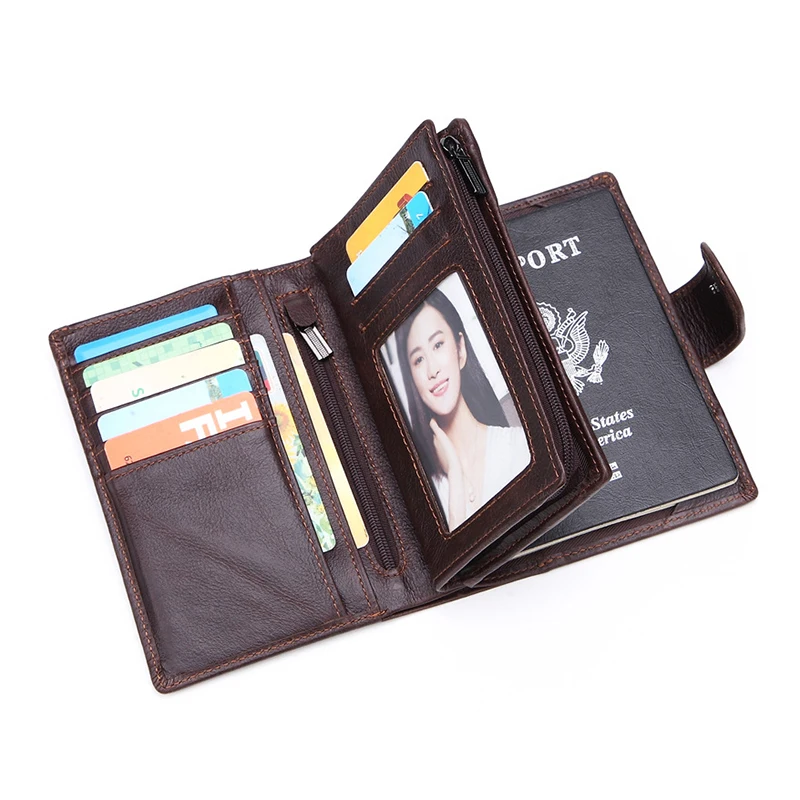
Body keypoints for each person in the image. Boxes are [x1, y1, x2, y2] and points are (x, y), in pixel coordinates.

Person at [395, 286, 530, 531]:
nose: (432, 370)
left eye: (438, 345)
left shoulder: (519, 448)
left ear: (460, 350)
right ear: (411, 378)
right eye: (418, 359)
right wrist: (455, 475)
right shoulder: (423, 496)